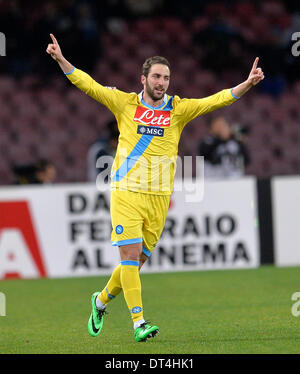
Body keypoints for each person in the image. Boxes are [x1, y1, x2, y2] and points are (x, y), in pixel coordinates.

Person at [46, 33, 264, 342]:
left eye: (166, 77)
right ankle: (139, 323)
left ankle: (100, 301)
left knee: (135, 264)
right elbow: (88, 85)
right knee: (130, 259)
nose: (162, 82)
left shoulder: (178, 109)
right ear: (144, 78)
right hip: (126, 191)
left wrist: (247, 84)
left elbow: (214, 101)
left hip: (160, 198)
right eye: (157, 76)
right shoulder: (124, 103)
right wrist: (61, 60)